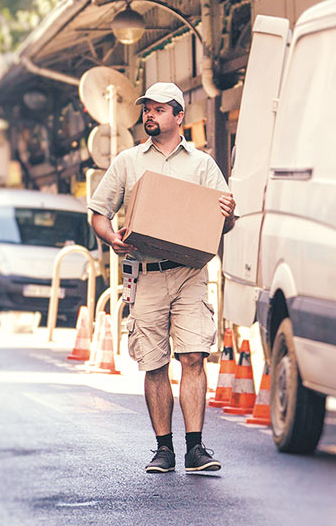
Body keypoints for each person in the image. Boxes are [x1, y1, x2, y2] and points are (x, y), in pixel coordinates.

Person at [88, 82, 236, 474]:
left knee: (192, 356)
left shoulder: (202, 165)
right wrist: (112, 238)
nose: (149, 116)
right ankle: (163, 449)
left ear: (179, 116)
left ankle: (196, 448)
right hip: (147, 273)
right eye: (146, 110)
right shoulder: (128, 162)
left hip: (189, 274)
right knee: (154, 364)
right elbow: (99, 214)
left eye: (157, 110)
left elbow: (225, 222)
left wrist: (228, 211)